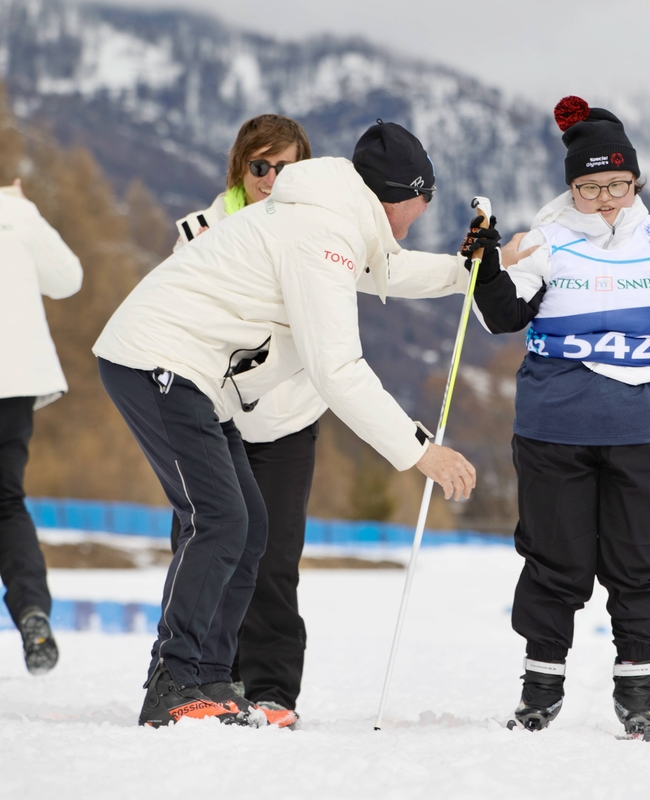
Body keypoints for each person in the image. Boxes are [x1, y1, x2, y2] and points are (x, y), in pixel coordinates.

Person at [93, 122, 478, 728]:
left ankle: (212, 682)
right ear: (399, 197)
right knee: (217, 519)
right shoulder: (323, 230)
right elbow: (337, 369)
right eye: (422, 202)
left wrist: (471, 270)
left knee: (248, 527)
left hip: (195, 374)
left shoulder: (332, 218)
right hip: (156, 359)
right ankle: (172, 680)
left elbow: (387, 272)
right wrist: (420, 451)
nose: (421, 215)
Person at [467, 95, 650, 741]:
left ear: (636, 182)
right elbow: (504, 316)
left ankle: (638, 687)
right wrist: (486, 265)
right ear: (571, 186)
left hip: (646, 426)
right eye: (590, 187)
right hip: (555, 428)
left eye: (617, 185)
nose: (605, 199)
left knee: (642, 561)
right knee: (553, 560)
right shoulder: (546, 239)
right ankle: (540, 685)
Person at [166, 114, 315, 727]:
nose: (272, 178)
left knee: (274, 555)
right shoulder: (200, 231)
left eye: (286, 167)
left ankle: (272, 688)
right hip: (213, 417)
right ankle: (198, 679)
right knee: (206, 545)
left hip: (287, 417)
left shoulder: (319, 231)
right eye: (261, 166)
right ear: (240, 169)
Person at [0, 178, 82, 675]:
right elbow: (68, 279)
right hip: (17, 380)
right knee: (7, 502)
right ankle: (32, 608)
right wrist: (22, 208)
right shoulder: (16, 214)